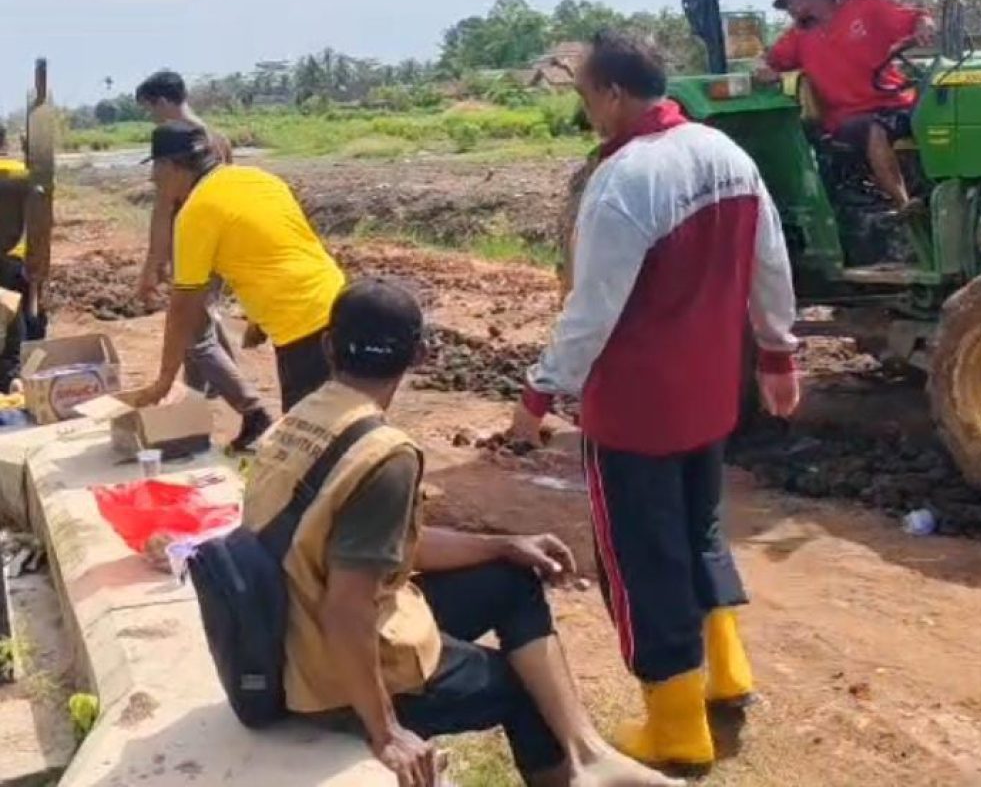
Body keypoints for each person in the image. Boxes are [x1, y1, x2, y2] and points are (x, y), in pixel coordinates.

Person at [243, 277, 678, 787]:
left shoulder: (301, 421)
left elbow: (380, 549)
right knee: (521, 692)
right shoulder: (384, 455)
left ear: (327, 346)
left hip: (290, 633)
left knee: (511, 579)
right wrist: (385, 731)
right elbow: (347, 608)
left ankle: (587, 755)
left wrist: (503, 545)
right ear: (421, 355)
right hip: (328, 673)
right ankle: (569, 772)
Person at [510, 31, 800, 771]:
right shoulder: (727, 154)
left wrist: (538, 395)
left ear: (610, 93)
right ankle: (726, 674)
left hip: (634, 409)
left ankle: (675, 726)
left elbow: (591, 309)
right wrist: (777, 353)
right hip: (709, 398)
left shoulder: (625, 179)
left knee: (642, 558)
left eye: (586, 99)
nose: (588, 114)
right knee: (700, 532)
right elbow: (770, 261)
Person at [126, 122, 345, 413]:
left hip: (303, 327)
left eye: (156, 168)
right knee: (342, 415)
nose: (154, 178)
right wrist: (257, 321)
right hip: (342, 304)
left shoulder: (196, 213)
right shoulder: (260, 179)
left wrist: (164, 382)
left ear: (172, 166)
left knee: (308, 437)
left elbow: (183, 308)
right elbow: (274, 250)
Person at [135, 71, 271, 450]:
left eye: (149, 109)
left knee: (193, 332)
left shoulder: (171, 146)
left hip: (193, 243)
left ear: (161, 101)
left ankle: (252, 409)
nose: (152, 118)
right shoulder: (216, 140)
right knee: (203, 324)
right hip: (221, 245)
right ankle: (196, 414)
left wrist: (152, 265)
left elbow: (163, 212)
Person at [757, 0, 934, 212]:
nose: (789, 9)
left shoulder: (864, 8)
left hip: (896, 103)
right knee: (874, 127)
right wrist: (766, 71)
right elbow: (769, 62)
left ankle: (946, 191)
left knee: (940, 113)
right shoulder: (798, 38)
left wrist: (924, 25)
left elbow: (915, 18)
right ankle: (904, 203)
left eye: (789, 1)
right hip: (847, 118)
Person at [0, 123, 46, 392]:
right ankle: (25, 377)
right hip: (18, 258)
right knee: (25, 321)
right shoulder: (22, 174)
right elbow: (40, 216)